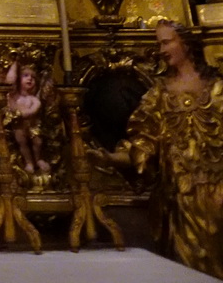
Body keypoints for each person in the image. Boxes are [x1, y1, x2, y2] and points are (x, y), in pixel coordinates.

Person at [94, 22, 223, 278]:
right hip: (178, 200)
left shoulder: (217, 89)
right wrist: (111, 158)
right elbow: (144, 143)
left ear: (186, 43)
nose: (161, 49)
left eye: (167, 42)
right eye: (158, 43)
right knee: (184, 269)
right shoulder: (159, 95)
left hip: (218, 196)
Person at [4, 61, 50, 174]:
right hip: (19, 126)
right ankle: (29, 162)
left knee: (37, 142)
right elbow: (9, 82)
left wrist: (25, 113)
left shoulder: (34, 99)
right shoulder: (14, 96)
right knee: (22, 142)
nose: (30, 79)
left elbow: (34, 109)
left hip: (32, 126)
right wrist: (15, 64)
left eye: (33, 77)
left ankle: (38, 159)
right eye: (25, 76)